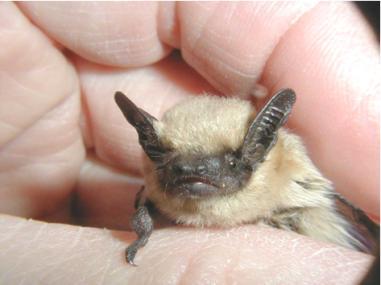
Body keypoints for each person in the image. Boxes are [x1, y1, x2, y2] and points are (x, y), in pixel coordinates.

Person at [0, 2, 378, 283]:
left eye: (228, 163)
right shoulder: (150, 195)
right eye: (173, 164)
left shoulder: (290, 176)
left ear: (259, 146)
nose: (196, 173)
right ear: (152, 152)